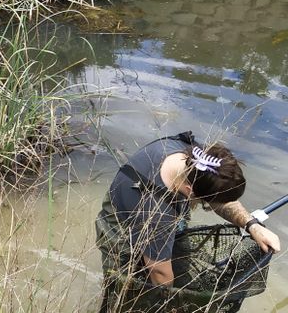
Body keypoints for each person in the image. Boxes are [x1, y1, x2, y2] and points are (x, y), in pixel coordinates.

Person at [95, 131, 281, 311]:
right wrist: (171, 305)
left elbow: (220, 199)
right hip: (122, 231)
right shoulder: (156, 214)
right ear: (189, 191)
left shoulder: (198, 160)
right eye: (205, 202)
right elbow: (160, 275)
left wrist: (252, 225)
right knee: (126, 299)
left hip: (165, 217)